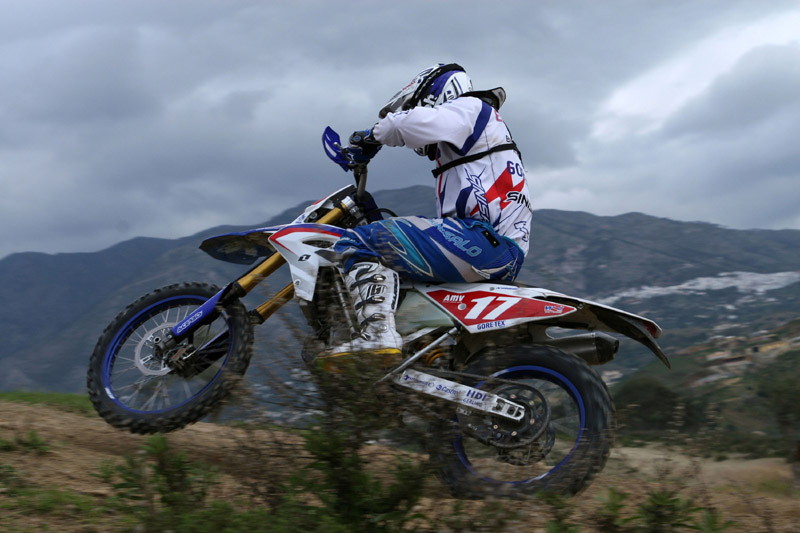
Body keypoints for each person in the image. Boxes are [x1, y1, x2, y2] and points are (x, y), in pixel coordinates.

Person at [324, 63, 532, 361]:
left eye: (416, 106)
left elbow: (404, 125)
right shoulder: (479, 137)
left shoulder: (472, 108)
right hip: (491, 248)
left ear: (435, 96)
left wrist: (370, 137)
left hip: (485, 244)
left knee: (360, 241)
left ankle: (378, 334)